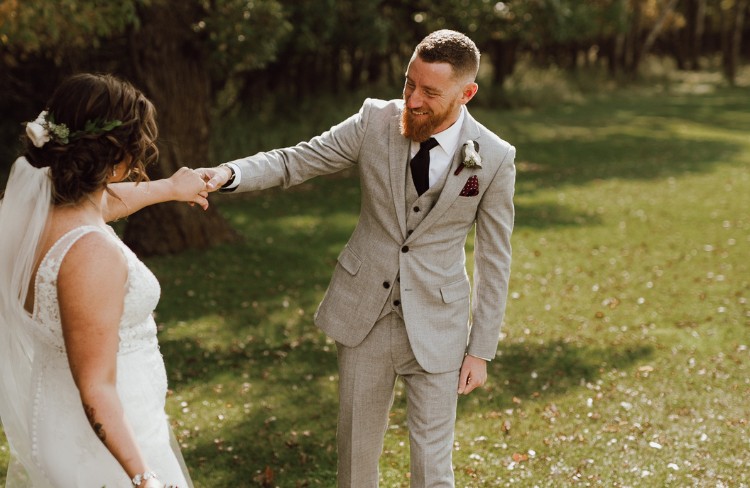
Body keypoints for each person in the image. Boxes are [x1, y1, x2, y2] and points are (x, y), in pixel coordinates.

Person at [199, 29, 516, 487]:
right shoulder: (373, 122)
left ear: (467, 93)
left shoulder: (495, 156)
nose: (413, 100)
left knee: (433, 467)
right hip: (363, 316)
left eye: (430, 92)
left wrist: (481, 350)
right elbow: (295, 161)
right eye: (409, 83)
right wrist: (228, 175)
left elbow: (495, 258)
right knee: (355, 460)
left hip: (440, 327)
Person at [0, 73, 209, 487]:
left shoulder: (31, 216)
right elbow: (95, 389)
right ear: (118, 156)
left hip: (64, 424)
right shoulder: (92, 254)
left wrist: (170, 188)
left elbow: (104, 206)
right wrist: (143, 476)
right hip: (107, 447)